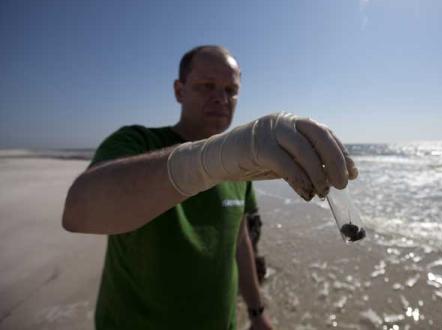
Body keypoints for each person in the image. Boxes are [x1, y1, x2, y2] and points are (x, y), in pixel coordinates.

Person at [62, 45, 358, 330]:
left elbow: (239, 241)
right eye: (207, 86)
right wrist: (206, 161)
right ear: (179, 90)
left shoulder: (242, 167)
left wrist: (256, 313)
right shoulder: (136, 142)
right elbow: (78, 211)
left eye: (231, 91)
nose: (221, 98)